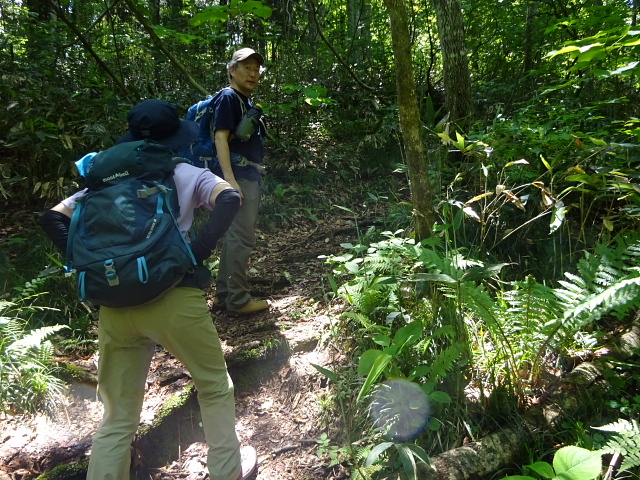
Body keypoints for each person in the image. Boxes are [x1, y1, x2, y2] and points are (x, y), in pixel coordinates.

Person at [39, 99, 258, 480]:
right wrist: (196, 253)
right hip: (174, 297)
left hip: (114, 306)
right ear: (175, 137)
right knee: (213, 384)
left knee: (118, 416)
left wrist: (94, 263)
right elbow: (230, 197)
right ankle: (227, 470)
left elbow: (54, 217)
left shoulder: (105, 180)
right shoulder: (183, 171)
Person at [208, 48, 270, 315]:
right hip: (239, 177)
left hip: (245, 175)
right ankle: (238, 300)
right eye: (246, 67)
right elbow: (220, 138)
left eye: (256, 69)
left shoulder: (242, 101)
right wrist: (230, 181)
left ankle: (224, 295)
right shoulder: (229, 98)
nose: (253, 73)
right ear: (232, 70)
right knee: (242, 238)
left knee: (235, 237)